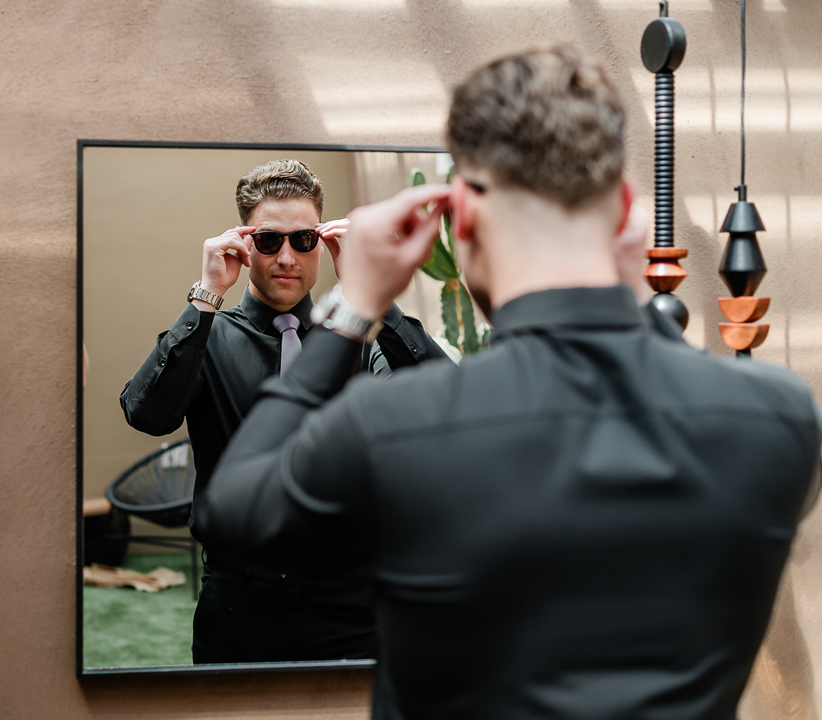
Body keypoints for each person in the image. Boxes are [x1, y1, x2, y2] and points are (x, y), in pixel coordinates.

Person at [198, 47, 821, 718]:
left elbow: (230, 513)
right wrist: (633, 286)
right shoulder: (781, 419)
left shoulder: (393, 426)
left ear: (462, 218)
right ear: (626, 213)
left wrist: (354, 306)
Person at [120, 159, 448, 664]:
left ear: (321, 242)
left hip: (351, 600)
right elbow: (147, 415)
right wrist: (206, 297)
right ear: (245, 244)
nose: (287, 258)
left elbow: (440, 398)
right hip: (239, 600)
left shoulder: (360, 338)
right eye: (270, 241)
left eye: (304, 239)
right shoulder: (207, 336)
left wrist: (373, 295)